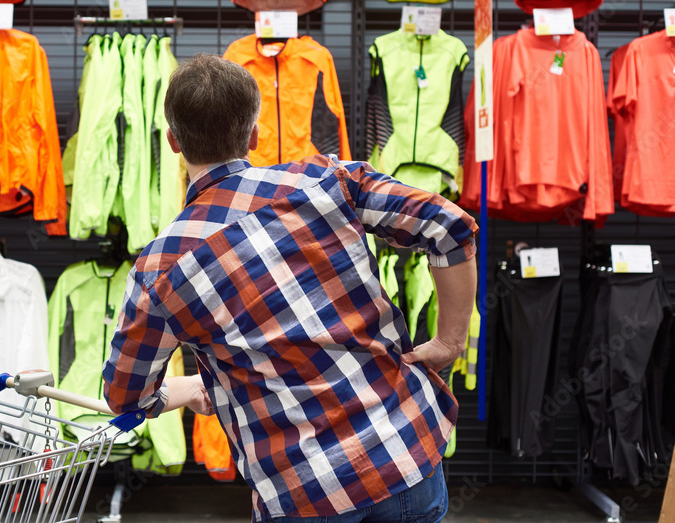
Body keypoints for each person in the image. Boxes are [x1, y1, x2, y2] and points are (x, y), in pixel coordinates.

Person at [102, 54, 478, 523]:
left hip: (303, 492)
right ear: (254, 135)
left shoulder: (161, 266)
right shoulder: (328, 181)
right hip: (405, 458)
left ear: (173, 142)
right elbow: (449, 227)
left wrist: (182, 390)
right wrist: (450, 341)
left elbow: (125, 397)